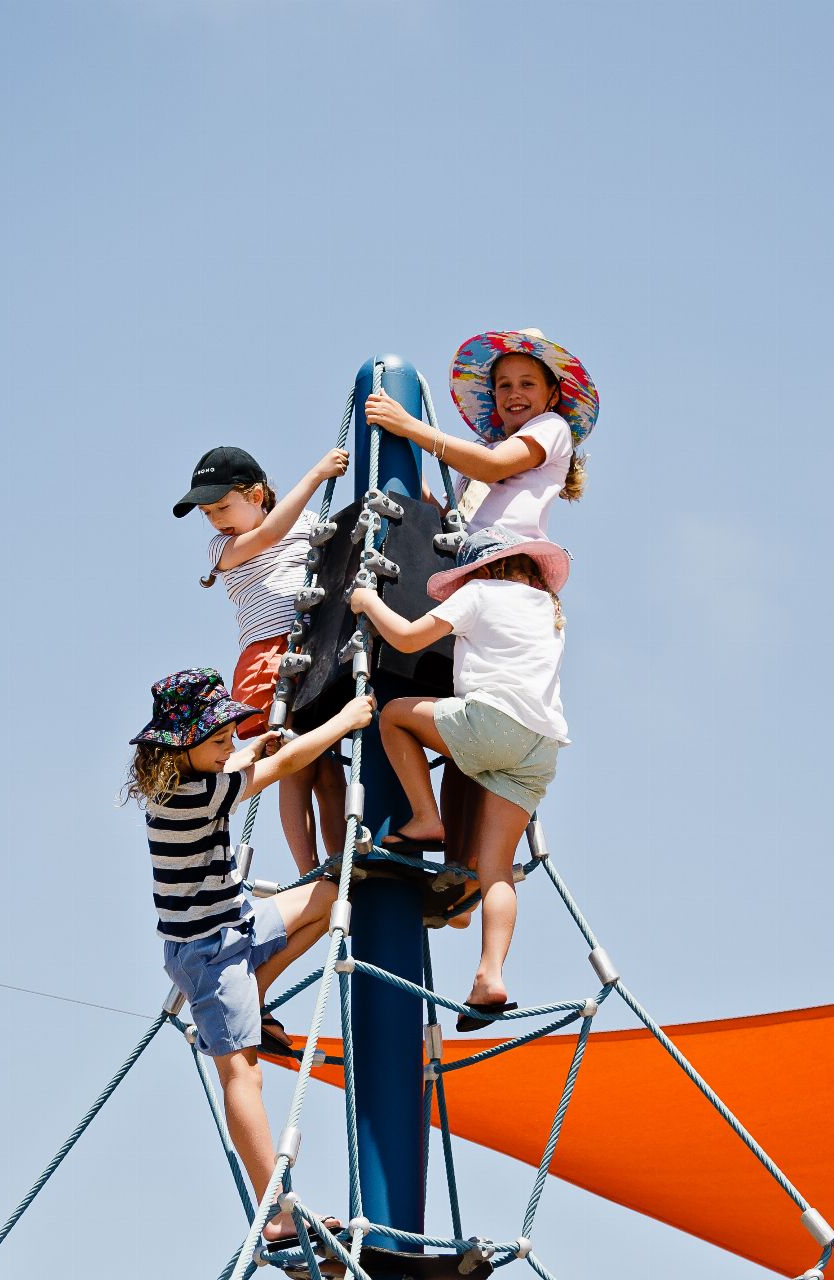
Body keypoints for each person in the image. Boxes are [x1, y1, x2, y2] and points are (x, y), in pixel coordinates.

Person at [125, 667, 375, 1250]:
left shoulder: (186, 780)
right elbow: (278, 769)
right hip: (209, 957)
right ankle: (278, 1210)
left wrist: (246, 750)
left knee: (327, 897)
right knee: (243, 1072)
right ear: (186, 749)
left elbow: (241, 765)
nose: (228, 750)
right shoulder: (198, 793)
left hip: (236, 924)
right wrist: (343, 721)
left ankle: (256, 995)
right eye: (219, 742)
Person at [349, 526, 570, 1031]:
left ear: (478, 568)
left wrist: (366, 601)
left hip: (492, 721)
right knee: (495, 871)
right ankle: (490, 974)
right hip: (540, 746)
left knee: (394, 717)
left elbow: (404, 637)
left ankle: (426, 819)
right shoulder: (549, 610)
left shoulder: (479, 593)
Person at [174, 444, 351, 871]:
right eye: (208, 514)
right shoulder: (222, 548)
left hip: (313, 647)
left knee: (327, 769)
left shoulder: (306, 524)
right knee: (292, 762)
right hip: (269, 655)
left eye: (221, 507)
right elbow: (270, 536)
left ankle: (342, 860)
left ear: (256, 496)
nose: (216, 520)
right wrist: (316, 475)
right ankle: (309, 868)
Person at [363, 328, 599, 540]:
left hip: (504, 553)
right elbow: (451, 524)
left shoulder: (551, 426)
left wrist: (409, 426)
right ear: (493, 395)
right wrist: (415, 475)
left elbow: (491, 466)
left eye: (527, 384)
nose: (514, 393)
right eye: (504, 385)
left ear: (553, 395)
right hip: (468, 558)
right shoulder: (479, 455)